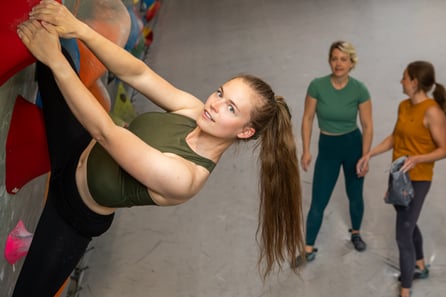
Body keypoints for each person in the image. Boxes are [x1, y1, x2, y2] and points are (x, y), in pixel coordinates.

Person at [14, 1, 305, 296]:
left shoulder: (184, 177)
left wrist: (56, 62)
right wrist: (79, 29)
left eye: (230, 108)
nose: (214, 104)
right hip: (77, 150)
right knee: (47, 32)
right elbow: (138, 74)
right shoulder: (194, 111)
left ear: (245, 131)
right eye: (220, 92)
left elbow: (106, 132)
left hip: (72, 212)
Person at [357, 61, 446, 297]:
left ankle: (405, 289)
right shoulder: (403, 106)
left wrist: (419, 158)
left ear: (415, 82)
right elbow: (395, 138)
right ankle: (419, 265)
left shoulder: (432, 111)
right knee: (409, 222)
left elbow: (443, 149)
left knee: (403, 233)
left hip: (418, 178)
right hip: (398, 176)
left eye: (404, 77)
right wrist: (370, 154)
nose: (401, 81)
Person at [297, 40, 373, 264]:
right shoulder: (317, 86)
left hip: (353, 146)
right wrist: (306, 150)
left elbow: (368, 126)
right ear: (329, 61)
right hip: (328, 147)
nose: (338, 64)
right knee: (318, 200)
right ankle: (308, 248)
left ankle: (356, 233)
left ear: (351, 63)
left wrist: (365, 156)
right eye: (334, 58)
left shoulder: (360, 89)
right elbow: (308, 118)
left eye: (343, 59)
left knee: (355, 195)